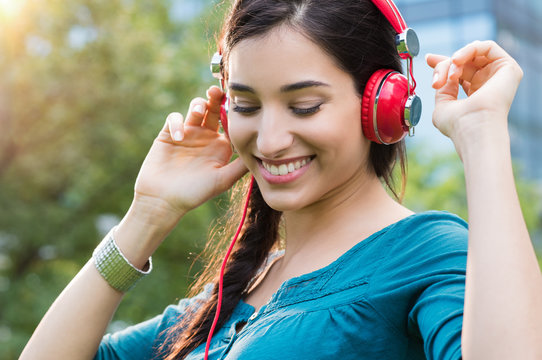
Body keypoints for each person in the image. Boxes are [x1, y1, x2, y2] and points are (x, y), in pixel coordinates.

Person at [20, 0, 542, 359]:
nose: (269, 140)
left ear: (381, 106)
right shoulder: (228, 299)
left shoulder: (426, 252)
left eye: (304, 106)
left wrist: (482, 135)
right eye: (246, 105)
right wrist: (148, 215)